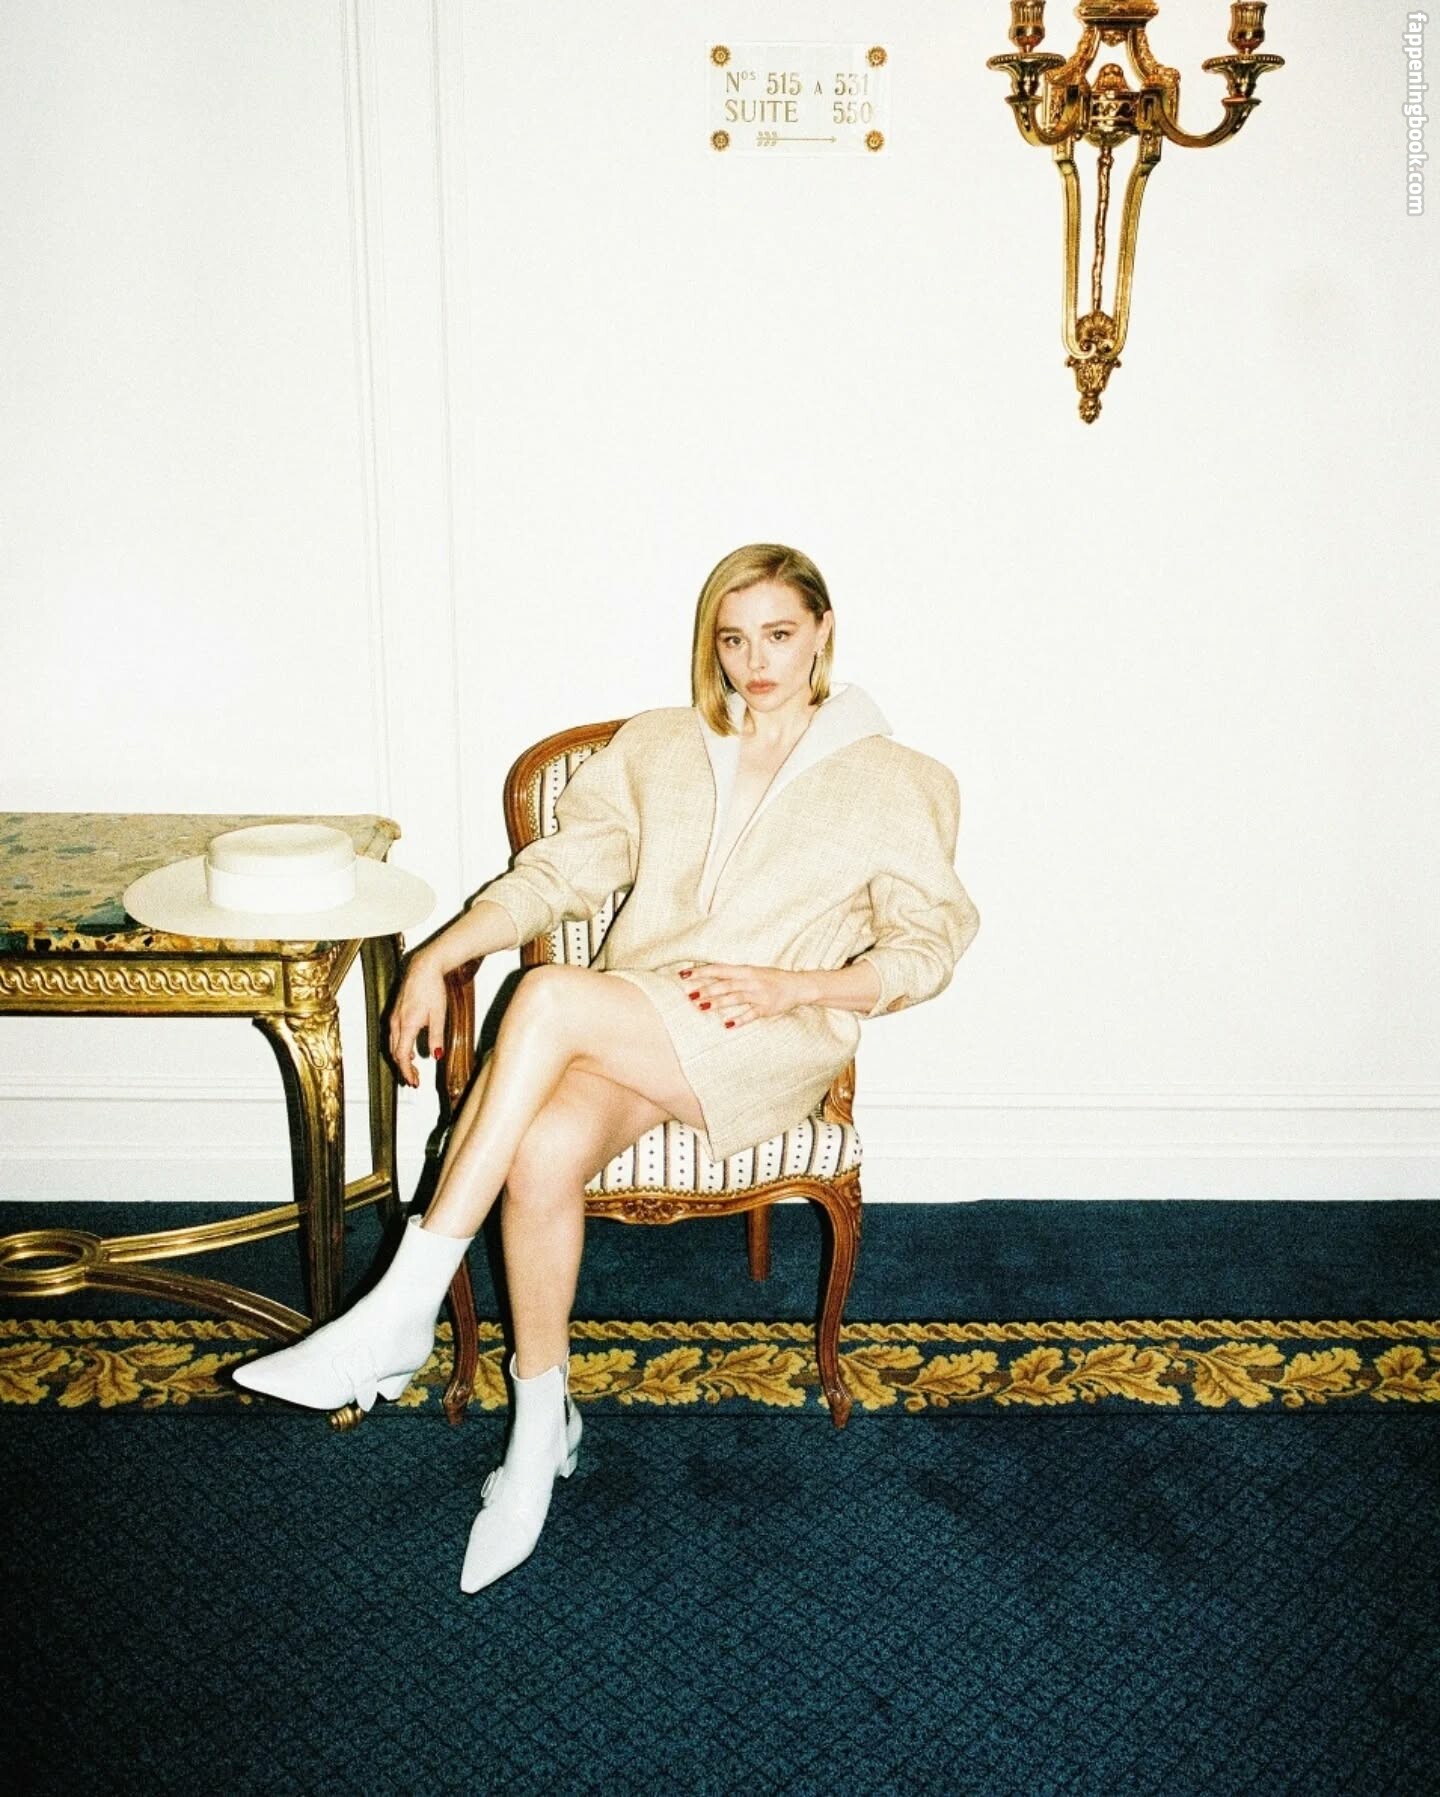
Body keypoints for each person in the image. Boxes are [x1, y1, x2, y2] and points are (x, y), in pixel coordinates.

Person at [234, 543, 981, 1592]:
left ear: (822, 631)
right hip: (637, 1021)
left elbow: (927, 949)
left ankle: (401, 1307)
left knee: (546, 996)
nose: (755, 662)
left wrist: (796, 987)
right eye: (734, 639)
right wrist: (440, 953)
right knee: (540, 1151)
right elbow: (555, 876)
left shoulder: (899, 780)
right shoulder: (660, 746)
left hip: (763, 1040)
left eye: (779, 634)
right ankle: (541, 1428)